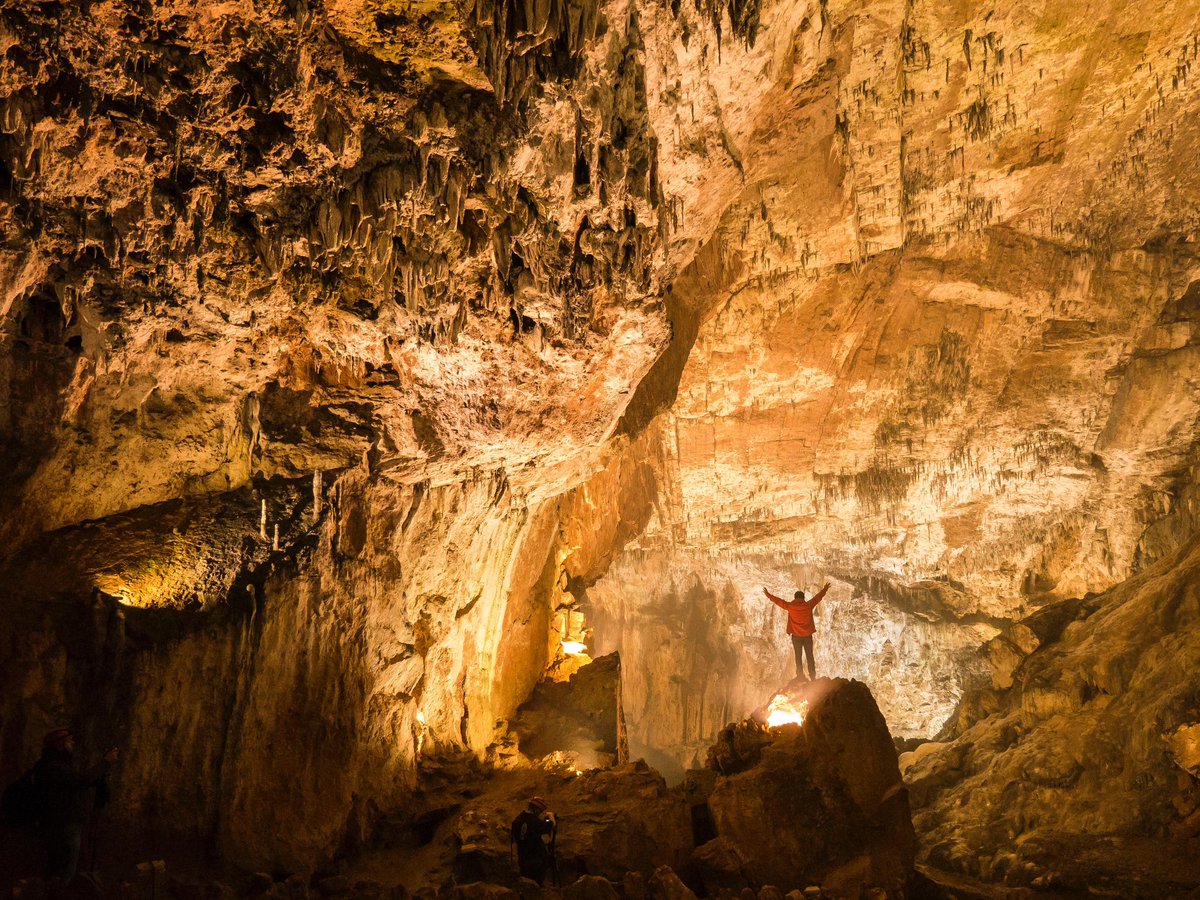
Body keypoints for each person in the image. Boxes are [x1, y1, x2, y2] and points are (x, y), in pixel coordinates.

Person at [33, 728, 117, 887]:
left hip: (58, 822)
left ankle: (54, 890)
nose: (73, 743)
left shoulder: (51, 764)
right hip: (64, 822)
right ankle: (57, 893)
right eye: (69, 741)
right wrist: (105, 762)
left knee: (59, 865)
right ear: (60, 744)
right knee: (66, 868)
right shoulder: (54, 766)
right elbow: (80, 780)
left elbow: (74, 783)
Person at [763, 582, 831, 680]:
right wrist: (825, 589)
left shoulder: (790, 606)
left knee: (798, 657)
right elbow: (818, 598)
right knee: (810, 656)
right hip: (807, 636)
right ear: (803, 598)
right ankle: (812, 676)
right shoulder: (808, 605)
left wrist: (768, 594)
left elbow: (777, 601)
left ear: (795, 598)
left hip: (796, 637)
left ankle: (800, 676)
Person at [510, 795, 556, 885]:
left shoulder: (518, 820)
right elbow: (552, 825)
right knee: (536, 887)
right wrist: (551, 816)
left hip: (522, 860)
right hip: (536, 862)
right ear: (537, 809)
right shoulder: (535, 822)